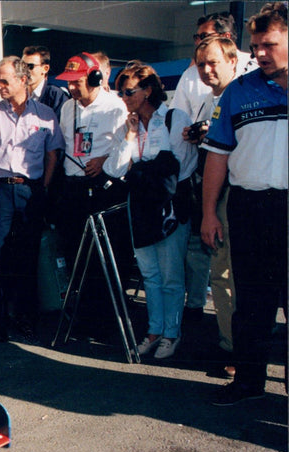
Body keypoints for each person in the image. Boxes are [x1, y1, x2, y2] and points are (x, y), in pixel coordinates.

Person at [201, 2, 287, 405]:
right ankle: (249, 382)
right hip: (248, 208)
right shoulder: (238, 91)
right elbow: (217, 155)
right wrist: (208, 213)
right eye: (256, 45)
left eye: (269, 44)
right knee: (251, 302)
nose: (261, 53)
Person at [104, 61, 197, 360]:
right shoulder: (127, 126)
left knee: (171, 275)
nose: (124, 97)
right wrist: (130, 137)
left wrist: (145, 174)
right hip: (140, 207)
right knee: (150, 274)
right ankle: (154, 331)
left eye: (128, 91)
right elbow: (114, 169)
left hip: (168, 206)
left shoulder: (172, 118)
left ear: (147, 90)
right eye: (120, 91)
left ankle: (172, 332)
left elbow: (183, 167)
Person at [0, 56, 65, 343]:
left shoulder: (46, 115)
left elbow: (53, 155)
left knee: (27, 259)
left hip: (30, 192)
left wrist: (42, 189)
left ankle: (26, 319)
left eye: (4, 81)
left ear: (23, 80)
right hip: (0, 192)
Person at [183, 36, 241, 376]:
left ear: (233, 62)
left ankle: (238, 349)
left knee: (233, 276)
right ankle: (229, 344)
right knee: (220, 275)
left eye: (213, 63)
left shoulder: (243, 98)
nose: (206, 70)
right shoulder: (210, 101)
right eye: (201, 63)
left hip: (240, 196)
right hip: (215, 198)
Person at [54, 52, 128, 270]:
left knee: (105, 253)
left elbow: (127, 145)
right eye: (69, 83)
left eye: (77, 82)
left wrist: (104, 160)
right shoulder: (68, 107)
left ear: (95, 79)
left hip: (103, 187)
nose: (72, 88)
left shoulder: (116, 107)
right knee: (74, 249)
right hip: (73, 187)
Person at [171, 11, 256, 121]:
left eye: (204, 36)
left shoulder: (254, 66)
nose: (198, 42)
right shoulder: (190, 75)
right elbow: (178, 118)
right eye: (196, 37)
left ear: (226, 37)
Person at [23, 46, 69, 120]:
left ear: (45, 69)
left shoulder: (56, 95)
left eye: (30, 66)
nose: (25, 71)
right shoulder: (18, 94)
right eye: (22, 66)